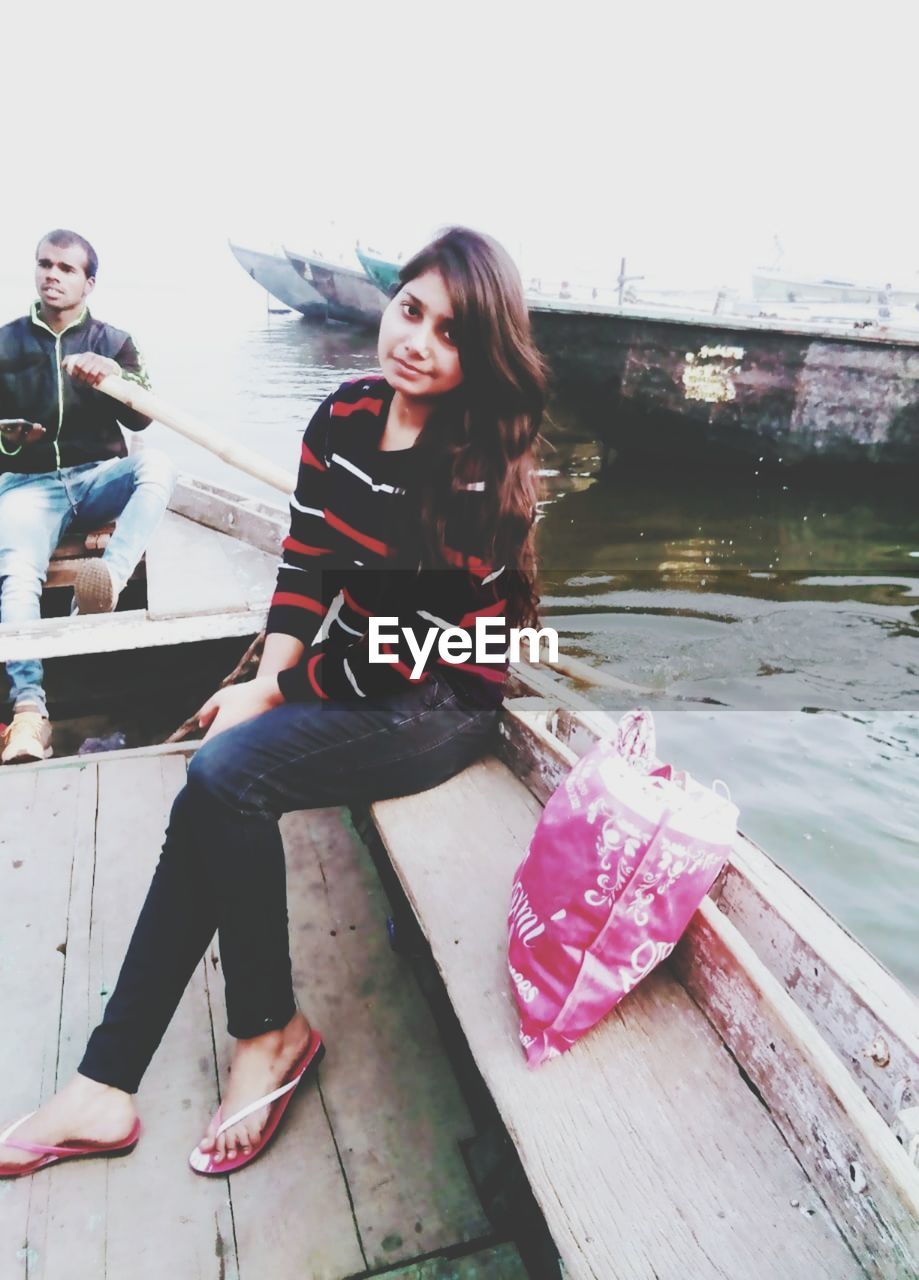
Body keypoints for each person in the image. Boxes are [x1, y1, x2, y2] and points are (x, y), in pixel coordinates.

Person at [0, 226, 547, 1179]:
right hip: (354, 663)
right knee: (213, 785)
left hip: (440, 690)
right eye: (410, 310)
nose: (416, 339)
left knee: (224, 778)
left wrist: (280, 692)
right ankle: (110, 1081)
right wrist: (266, 676)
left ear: (483, 357)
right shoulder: (343, 415)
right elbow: (305, 558)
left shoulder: (473, 474)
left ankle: (264, 1036)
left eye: (450, 333)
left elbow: (398, 658)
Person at [0, 229, 176, 764]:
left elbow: (143, 414)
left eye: (66, 268)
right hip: (27, 486)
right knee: (18, 574)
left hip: (97, 477)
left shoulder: (112, 341)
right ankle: (30, 714)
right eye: (45, 264)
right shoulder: (5, 342)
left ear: (88, 282)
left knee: (158, 466)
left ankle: (107, 581)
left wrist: (115, 379)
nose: (52, 274)